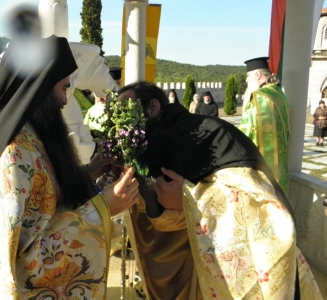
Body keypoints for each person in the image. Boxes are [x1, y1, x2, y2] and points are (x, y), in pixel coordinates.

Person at [0, 36, 140, 300]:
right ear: (38, 89)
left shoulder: (28, 136)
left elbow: (43, 199)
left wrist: (87, 172)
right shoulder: (15, 153)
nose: (65, 100)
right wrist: (104, 208)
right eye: (63, 88)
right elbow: (25, 258)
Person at [117, 81, 322, 300]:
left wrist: (189, 198)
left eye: (127, 111)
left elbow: (263, 205)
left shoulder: (209, 134)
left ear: (154, 107)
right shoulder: (155, 141)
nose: (122, 122)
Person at [238, 57, 290, 196]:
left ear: (258, 75)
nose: (246, 80)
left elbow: (246, 132)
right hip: (281, 165)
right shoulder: (279, 93)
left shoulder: (260, 97)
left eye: (248, 76)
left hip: (264, 166)